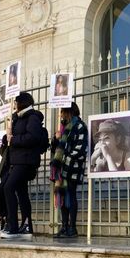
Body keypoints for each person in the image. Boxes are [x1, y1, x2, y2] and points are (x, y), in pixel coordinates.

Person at [0, 91, 45, 239]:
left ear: (21, 102)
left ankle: (13, 227)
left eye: (15, 102)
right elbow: (12, 139)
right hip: (16, 161)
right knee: (21, 192)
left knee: (8, 187)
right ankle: (26, 226)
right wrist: (7, 138)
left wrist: (14, 139)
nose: (14, 105)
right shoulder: (16, 118)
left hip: (26, 161)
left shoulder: (32, 117)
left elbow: (33, 137)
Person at [50, 102, 88, 238]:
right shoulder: (63, 127)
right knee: (62, 195)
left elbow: (80, 149)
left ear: (69, 112)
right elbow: (54, 149)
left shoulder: (80, 126)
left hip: (73, 167)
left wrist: (65, 159)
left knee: (71, 195)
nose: (61, 115)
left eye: (62, 112)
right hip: (62, 168)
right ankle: (64, 226)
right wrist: (56, 138)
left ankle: (72, 228)